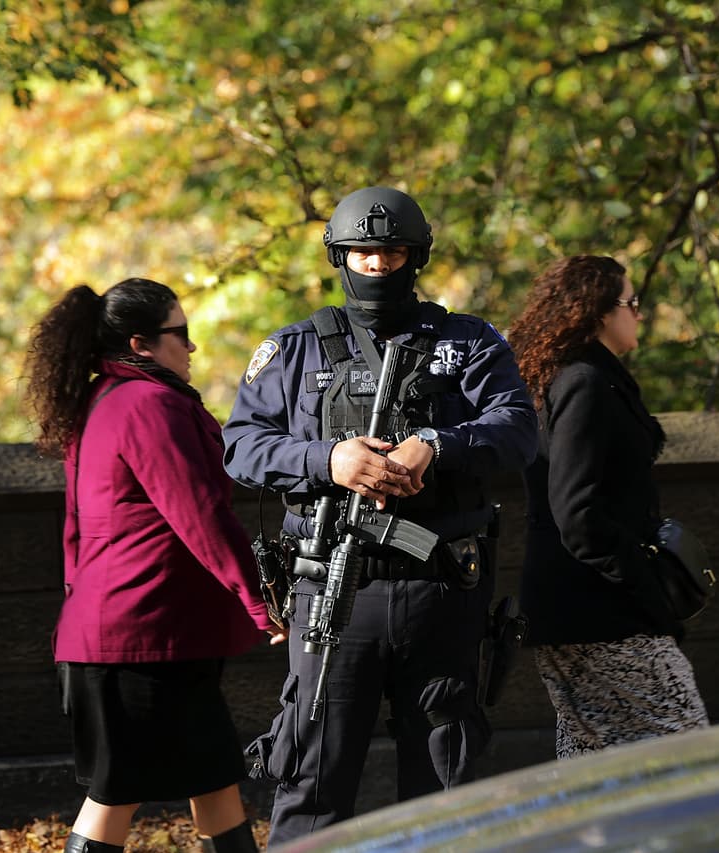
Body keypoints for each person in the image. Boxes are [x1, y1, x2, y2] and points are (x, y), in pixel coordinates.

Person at [222, 186, 538, 844]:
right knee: (313, 774)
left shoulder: (468, 342)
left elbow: (517, 429)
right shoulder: (296, 349)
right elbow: (241, 445)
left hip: (441, 585)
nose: (375, 264)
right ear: (340, 256)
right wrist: (328, 458)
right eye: (362, 252)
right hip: (332, 587)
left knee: (446, 777)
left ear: (415, 256)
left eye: (390, 251)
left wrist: (439, 444)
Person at [24, 278, 286, 853]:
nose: (191, 349)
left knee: (213, 780)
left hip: (138, 638)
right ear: (141, 344)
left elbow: (74, 531)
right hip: (139, 642)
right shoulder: (149, 405)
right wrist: (258, 601)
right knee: (115, 796)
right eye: (181, 335)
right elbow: (200, 513)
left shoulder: (100, 402)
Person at [506, 254, 709, 759]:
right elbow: (578, 513)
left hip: (575, 609)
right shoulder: (584, 383)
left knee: (592, 762)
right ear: (598, 311)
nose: (639, 313)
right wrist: (645, 587)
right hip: (600, 611)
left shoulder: (578, 378)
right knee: (685, 747)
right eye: (631, 303)